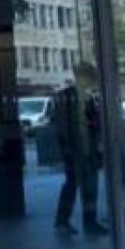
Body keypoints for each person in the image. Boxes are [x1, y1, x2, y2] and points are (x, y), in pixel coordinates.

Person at [52, 62, 109, 236]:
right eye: (88, 77)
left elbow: (95, 124)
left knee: (90, 185)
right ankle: (62, 220)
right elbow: (61, 125)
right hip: (75, 149)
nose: (90, 81)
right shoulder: (65, 97)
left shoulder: (90, 99)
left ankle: (89, 221)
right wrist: (66, 147)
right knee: (72, 184)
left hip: (88, 149)